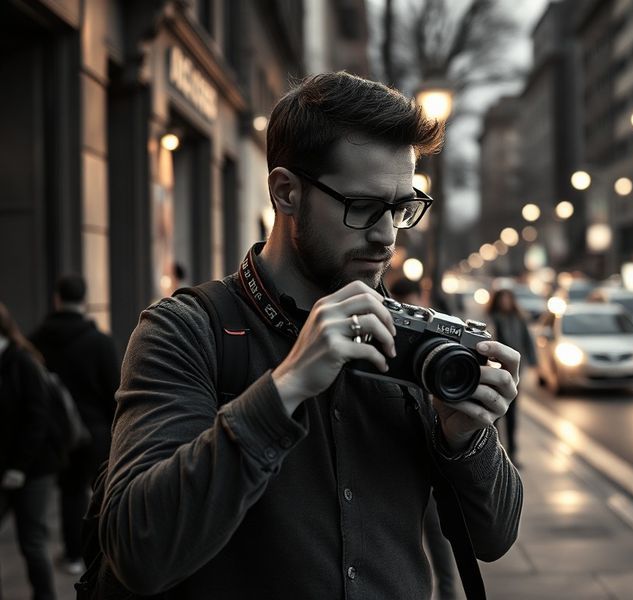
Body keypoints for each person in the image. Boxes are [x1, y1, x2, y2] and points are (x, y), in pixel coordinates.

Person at [101, 72, 523, 598]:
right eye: (363, 207)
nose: (386, 234)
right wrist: (286, 388)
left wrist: (465, 437)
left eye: (400, 207)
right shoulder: (186, 331)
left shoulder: (411, 342)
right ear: (286, 193)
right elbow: (139, 549)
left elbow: (495, 537)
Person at [29, 275, 120, 574]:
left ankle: (72, 556)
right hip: (94, 432)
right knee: (102, 490)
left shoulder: (35, 342)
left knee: (70, 493)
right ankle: (103, 552)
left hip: (56, 433)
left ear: (57, 298)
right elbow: (114, 393)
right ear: (84, 300)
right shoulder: (100, 343)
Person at [388, 275, 457, 600]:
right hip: (401, 458)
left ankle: (448, 593)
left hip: (435, 455)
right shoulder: (385, 328)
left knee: (442, 540)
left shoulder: (438, 329)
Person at [0, 303, 59, 600]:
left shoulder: (23, 362)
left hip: (34, 467)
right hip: (8, 465)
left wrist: (19, 467)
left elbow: (38, 420)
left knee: (32, 540)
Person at [486, 288, 535, 464]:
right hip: (495, 371)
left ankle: (513, 453)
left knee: (512, 415)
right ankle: (494, 453)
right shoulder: (492, 317)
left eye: (508, 299)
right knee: (495, 413)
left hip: (513, 372)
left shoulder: (519, 318)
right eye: (502, 299)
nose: (505, 302)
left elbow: (527, 340)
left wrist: (532, 361)